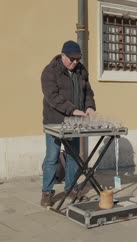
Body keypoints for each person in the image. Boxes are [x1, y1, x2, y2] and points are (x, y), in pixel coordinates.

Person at [40, 40, 96, 207]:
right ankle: (47, 192)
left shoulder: (81, 70)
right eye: (71, 59)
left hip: (75, 122)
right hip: (55, 121)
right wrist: (72, 110)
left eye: (77, 59)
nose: (74, 62)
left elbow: (88, 92)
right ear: (63, 55)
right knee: (52, 157)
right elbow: (52, 97)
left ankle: (71, 188)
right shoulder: (50, 71)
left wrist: (90, 107)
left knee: (73, 157)